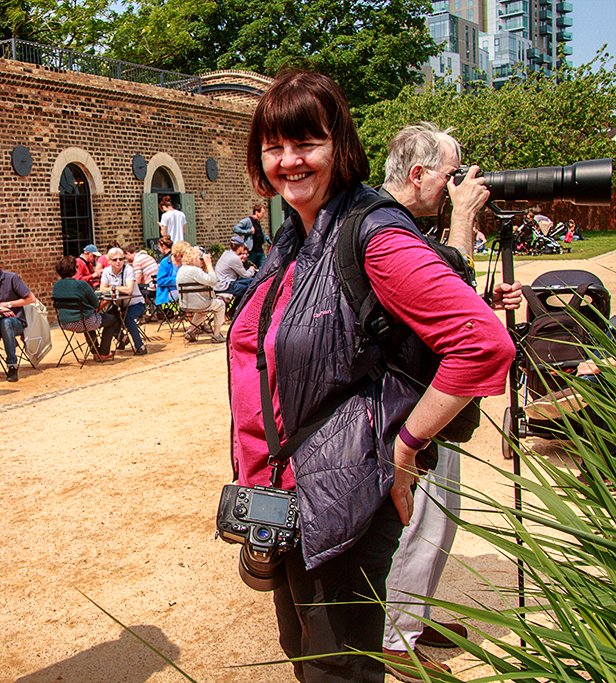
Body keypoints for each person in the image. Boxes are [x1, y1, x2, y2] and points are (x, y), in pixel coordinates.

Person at [231, 71, 515, 682]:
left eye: (307, 142)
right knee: (308, 656)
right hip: (287, 491)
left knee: (339, 670)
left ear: (341, 146)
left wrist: (407, 447)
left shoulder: (372, 233)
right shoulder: (294, 235)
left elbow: (483, 344)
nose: (289, 160)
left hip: (347, 496)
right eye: (274, 146)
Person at [379, 121, 523, 677]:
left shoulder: (405, 228)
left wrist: (480, 299)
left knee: (442, 517)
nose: (457, 185)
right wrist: (463, 220)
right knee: (424, 519)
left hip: (432, 392)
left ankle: (412, 615)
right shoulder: (384, 228)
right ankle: (395, 634)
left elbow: (425, 308)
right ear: (417, 175)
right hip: (412, 403)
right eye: (450, 175)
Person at [0, 250, 36, 382]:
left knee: (6, 323)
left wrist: (8, 305)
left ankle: (12, 366)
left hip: (15, 321)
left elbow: (31, 299)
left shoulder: (12, 278)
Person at [52, 255, 120, 360]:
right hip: (82, 322)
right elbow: (96, 304)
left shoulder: (56, 286)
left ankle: (95, 352)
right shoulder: (81, 284)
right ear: (74, 269)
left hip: (65, 323)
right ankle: (103, 352)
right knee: (110, 320)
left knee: (87, 317)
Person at [100, 246, 148, 356]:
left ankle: (140, 346)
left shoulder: (128, 270)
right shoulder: (107, 271)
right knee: (105, 318)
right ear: (109, 261)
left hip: (136, 304)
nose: (118, 262)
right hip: (120, 306)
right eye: (115, 259)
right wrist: (118, 288)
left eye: (121, 259)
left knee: (127, 317)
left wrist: (113, 287)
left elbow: (129, 290)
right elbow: (102, 289)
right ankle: (122, 338)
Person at [176, 246, 226, 343]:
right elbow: (213, 281)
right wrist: (209, 265)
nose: (202, 260)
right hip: (201, 303)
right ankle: (217, 335)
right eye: (200, 258)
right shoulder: (195, 271)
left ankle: (191, 331)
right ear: (192, 259)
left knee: (202, 311)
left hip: (186, 304)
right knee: (221, 305)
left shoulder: (181, 269)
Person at [233, 203, 269, 268]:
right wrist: (249, 231)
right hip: (251, 251)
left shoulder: (258, 222)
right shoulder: (248, 221)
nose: (264, 215)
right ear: (257, 212)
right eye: (262, 213)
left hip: (260, 251)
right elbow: (235, 229)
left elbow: (261, 234)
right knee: (248, 268)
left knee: (264, 269)